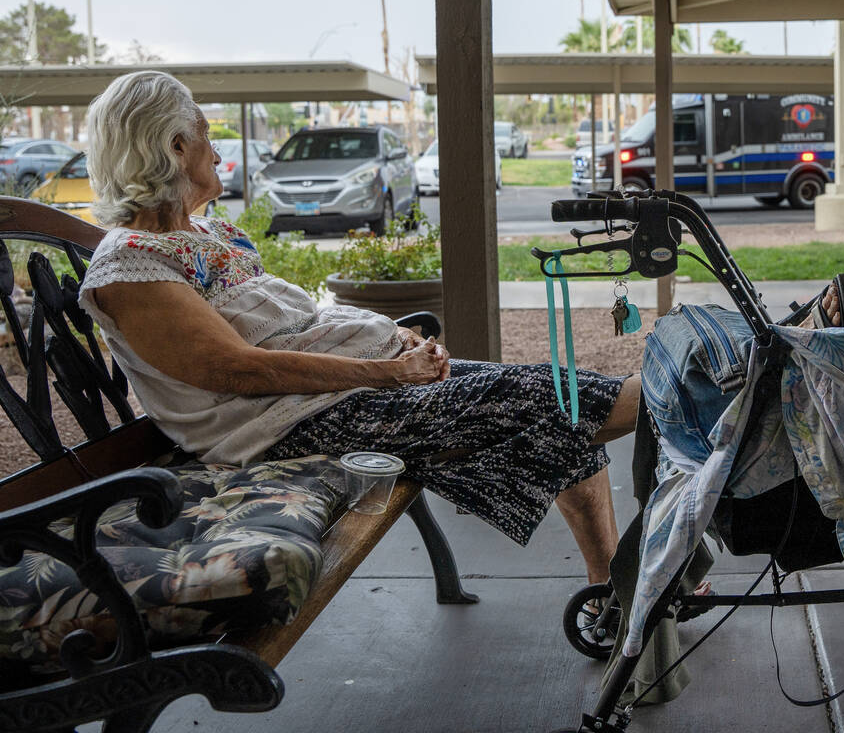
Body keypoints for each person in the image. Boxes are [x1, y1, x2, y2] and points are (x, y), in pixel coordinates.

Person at [76, 70, 638, 584]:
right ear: (174, 147)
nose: (216, 149)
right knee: (548, 400)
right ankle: (685, 401)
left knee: (557, 394)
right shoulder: (132, 265)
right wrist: (389, 372)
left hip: (336, 396)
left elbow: (295, 323)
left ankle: (610, 585)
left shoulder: (207, 234)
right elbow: (240, 370)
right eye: (204, 133)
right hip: (291, 425)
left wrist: (391, 337)